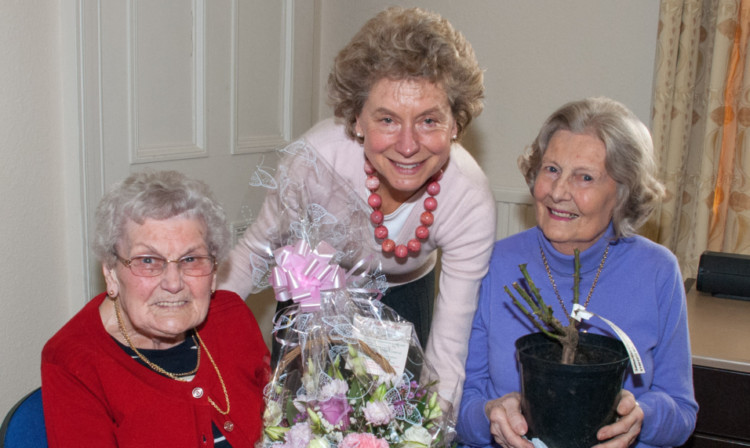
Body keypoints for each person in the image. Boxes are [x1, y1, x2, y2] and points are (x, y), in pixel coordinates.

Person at [218, 6, 496, 406]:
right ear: (356, 119)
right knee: (298, 417)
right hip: (316, 291)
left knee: (397, 415)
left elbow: (447, 353)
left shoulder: (468, 199)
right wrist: (191, 336)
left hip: (406, 294)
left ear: (456, 124)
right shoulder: (315, 163)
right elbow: (251, 256)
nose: (407, 145)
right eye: (387, 119)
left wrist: (436, 427)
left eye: (429, 121)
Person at [457, 97, 698, 448]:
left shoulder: (658, 271)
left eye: (584, 177)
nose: (557, 192)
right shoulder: (494, 264)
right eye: (551, 169)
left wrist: (643, 417)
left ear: (622, 193)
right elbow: (458, 404)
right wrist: (490, 417)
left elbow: (682, 412)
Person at [42, 171, 270, 447]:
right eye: (148, 260)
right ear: (111, 273)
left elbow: (283, 419)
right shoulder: (74, 361)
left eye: (191, 259)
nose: (173, 283)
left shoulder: (232, 319)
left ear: (213, 272)